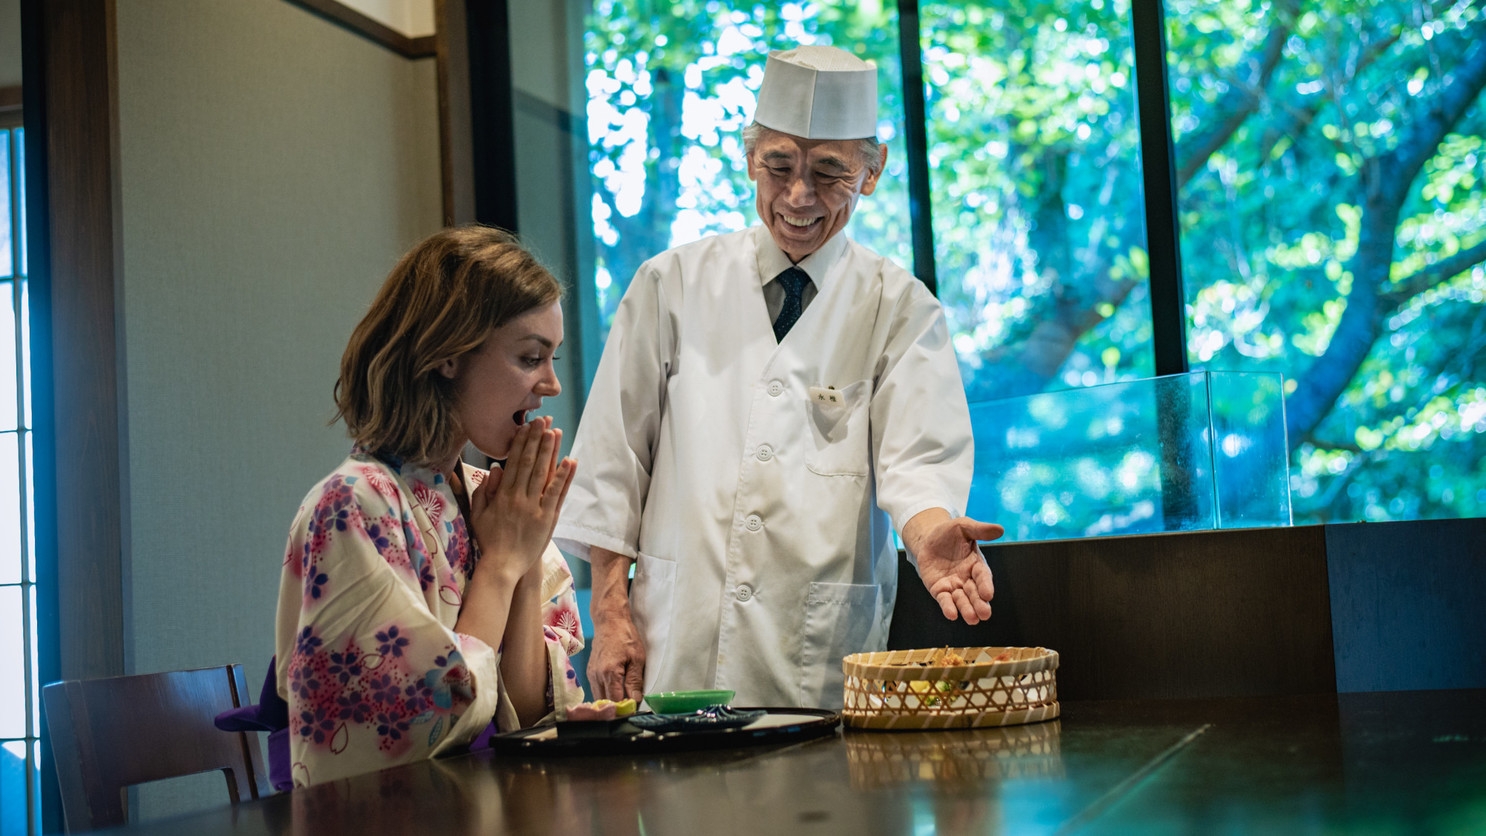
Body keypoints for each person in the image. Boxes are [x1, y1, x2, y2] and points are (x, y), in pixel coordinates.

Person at [554, 44, 1004, 710]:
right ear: (749, 159)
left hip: (815, 648)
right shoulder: (670, 285)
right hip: (679, 638)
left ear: (871, 174)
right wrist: (612, 613)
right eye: (779, 166)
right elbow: (613, 462)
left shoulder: (899, 308)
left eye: (829, 172)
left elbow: (920, 458)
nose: (799, 195)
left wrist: (930, 531)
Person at [273, 225, 585, 787]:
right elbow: (423, 720)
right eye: (530, 357)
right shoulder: (352, 504)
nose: (552, 384)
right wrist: (499, 567)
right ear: (447, 355)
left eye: (552, 357)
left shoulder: (492, 502)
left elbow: (530, 720)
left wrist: (528, 554)